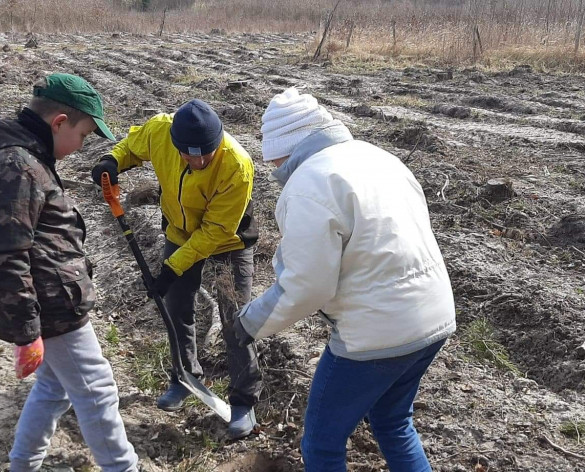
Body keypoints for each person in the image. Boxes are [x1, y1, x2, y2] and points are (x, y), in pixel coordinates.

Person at [234, 88, 456, 471]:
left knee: (322, 442)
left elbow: (306, 285)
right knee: (393, 421)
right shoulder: (379, 158)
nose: (273, 168)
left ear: (287, 148)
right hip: (434, 319)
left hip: (377, 333)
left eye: (274, 160)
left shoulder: (309, 184)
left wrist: (250, 323)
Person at [0, 73, 138, 472]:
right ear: (59, 122)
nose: (81, 147)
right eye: (83, 135)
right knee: (96, 390)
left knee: (54, 387)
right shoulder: (19, 167)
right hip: (53, 305)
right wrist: (26, 332)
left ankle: (23, 465)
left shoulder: (27, 156)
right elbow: (7, 254)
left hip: (54, 296)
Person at [91, 99, 262, 439]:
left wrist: (171, 268)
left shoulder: (237, 165)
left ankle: (244, 400)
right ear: (175, 143)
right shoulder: (160, 131)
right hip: (178, 231)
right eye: (188, 155)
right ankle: (184, 377)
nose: (197, 161)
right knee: (178, 307)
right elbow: (132, 146)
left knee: (236, 318)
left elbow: (214, 232)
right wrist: (113, 160)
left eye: (205, 156)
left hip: (228, 241)